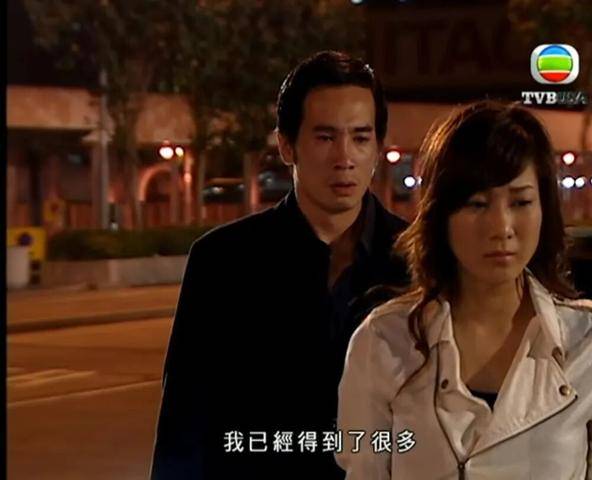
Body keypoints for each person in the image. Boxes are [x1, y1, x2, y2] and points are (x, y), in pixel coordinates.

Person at [336, 100, 592, 479]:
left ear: (545, 209)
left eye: (521, 202)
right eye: (477, 204)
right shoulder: (384, 341)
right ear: (440, 215)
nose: (501, 227)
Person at [150, 50, 409, 479]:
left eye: (361, 138)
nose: (344, 157)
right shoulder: (223, 261)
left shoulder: (419, 259)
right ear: (287, 145)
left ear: (378, 147)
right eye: (325, 138)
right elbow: (184, 422)